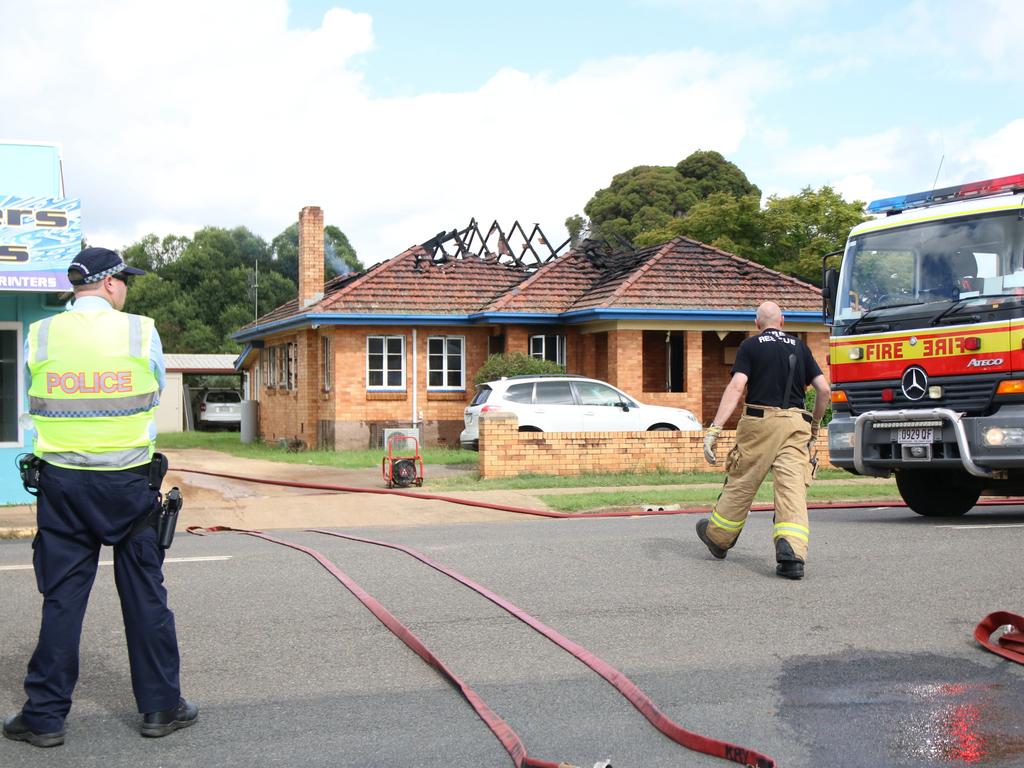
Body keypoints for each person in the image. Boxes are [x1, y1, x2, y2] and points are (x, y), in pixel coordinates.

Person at [3, 247, 197, 748]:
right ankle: (159, 708)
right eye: (124, 280)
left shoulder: (42, 333)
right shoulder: (138, 330)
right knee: (144, 596)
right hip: (128, 485)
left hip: (62, 484)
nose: (126, 289)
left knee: (63, 599)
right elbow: (153, 393)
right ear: (110, 284)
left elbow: (34, 394)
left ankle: (45, 717)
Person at [697, 301, 830, 580]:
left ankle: (719, 537)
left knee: (742, 481)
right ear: (783, 320)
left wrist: (715, 429)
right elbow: (823, 390)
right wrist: (815, 425)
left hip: (760, 424)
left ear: (757, 323)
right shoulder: (800, 346)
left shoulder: (751, 346)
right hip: (797, 425)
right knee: (792, 488)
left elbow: (736, 386)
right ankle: (792, 555)